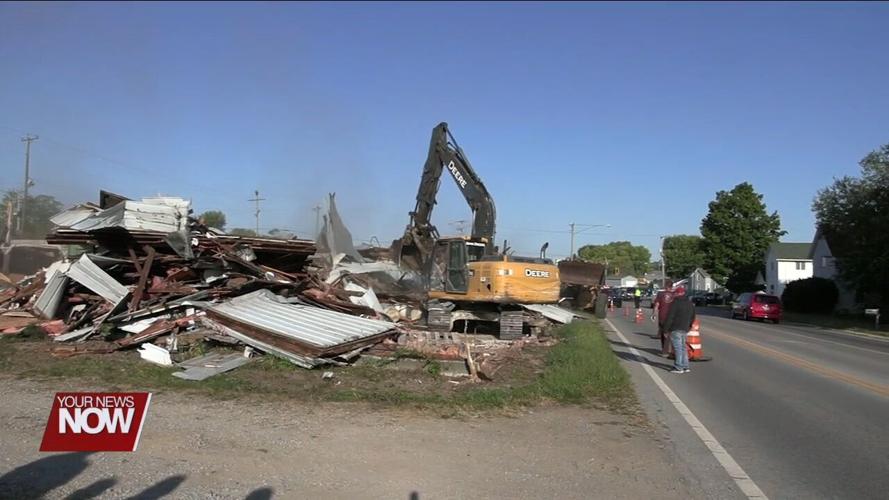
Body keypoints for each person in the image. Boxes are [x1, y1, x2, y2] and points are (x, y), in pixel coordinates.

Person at [663, 286, 695, 373]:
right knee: (683, 348)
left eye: (676, 293)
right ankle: (685, 366)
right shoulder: (690, 304)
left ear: (678, 293)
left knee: (678, 349)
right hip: (684, 328)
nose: (675, 294)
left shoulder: (675, 303)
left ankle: (678, 367)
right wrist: (689, 327)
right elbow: (693, 317)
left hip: (675, 328)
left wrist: (665, 330)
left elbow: (670, 317)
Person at [651, 279, 676, 356]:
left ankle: (665, 351)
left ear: (665, 286)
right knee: (672, 334)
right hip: (672, 317)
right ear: (671, 286)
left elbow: (657, 305)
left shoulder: (660, 294)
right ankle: (672, 351)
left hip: (662, 316)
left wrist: (654, 314)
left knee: (663, 334)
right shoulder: (675, 295)